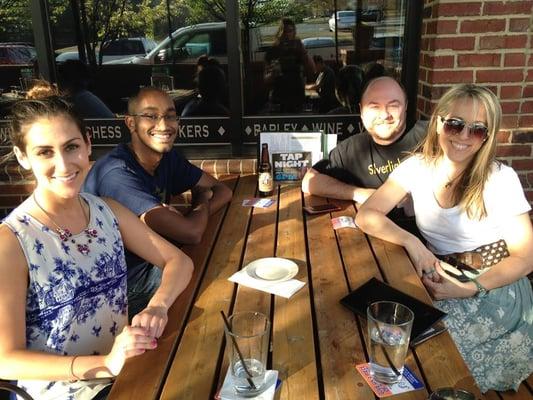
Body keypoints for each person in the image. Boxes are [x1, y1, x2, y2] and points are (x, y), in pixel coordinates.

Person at [0, 93, 193, 400]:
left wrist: (158, 305)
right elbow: (6, 360)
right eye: (44, 152)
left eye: (71, 147)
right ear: (22, 157)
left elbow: (179, 262)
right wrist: (104, 364)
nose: (63, 164)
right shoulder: (12, 240)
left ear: (88, 144)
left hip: (126, 372)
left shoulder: (107, 210)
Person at [356, 84, 533, 392]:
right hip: (441, 274)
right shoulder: (418, 166)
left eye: (477, 130)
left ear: (488, 137)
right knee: (378, 334)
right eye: (455, 124)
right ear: (438, 121)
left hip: (493, 287)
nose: (463, 136)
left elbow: (526, 257)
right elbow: (367, 214)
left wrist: (468, 288)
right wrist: (412, 243)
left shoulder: (500, 179)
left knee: (429, 360)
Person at [84, 87, 232, 316]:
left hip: (156, 260)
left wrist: (189, 221)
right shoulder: (116, 173)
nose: (164, 125)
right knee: (214, 281)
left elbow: (222, 190)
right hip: (123, 286)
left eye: (170, 115)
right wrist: (200, 202)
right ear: (130, 123)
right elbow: (192, 232)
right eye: (151, 116)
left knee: (220, 256)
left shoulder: (166, 157)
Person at [302, 76, 427, 233]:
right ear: (361, 110)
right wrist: (360, 193)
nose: (384, 114)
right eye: (374, 107)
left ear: (406, 106)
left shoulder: (431, 136)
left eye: (393, 105)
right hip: (378, 242)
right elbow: (309, 181)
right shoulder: (353, 148)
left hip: (430, 244)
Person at [264, 18, 315, 113]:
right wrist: (273, 74)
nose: (287, 34)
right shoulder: (272, 51)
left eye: (290, 31)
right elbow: (265, 80)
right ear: (280, 33)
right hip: (278, 100)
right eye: (284, 31)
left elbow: (312, 70)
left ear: (294, 33)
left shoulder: (298, 50)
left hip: (297, 100)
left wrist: (303, 51)